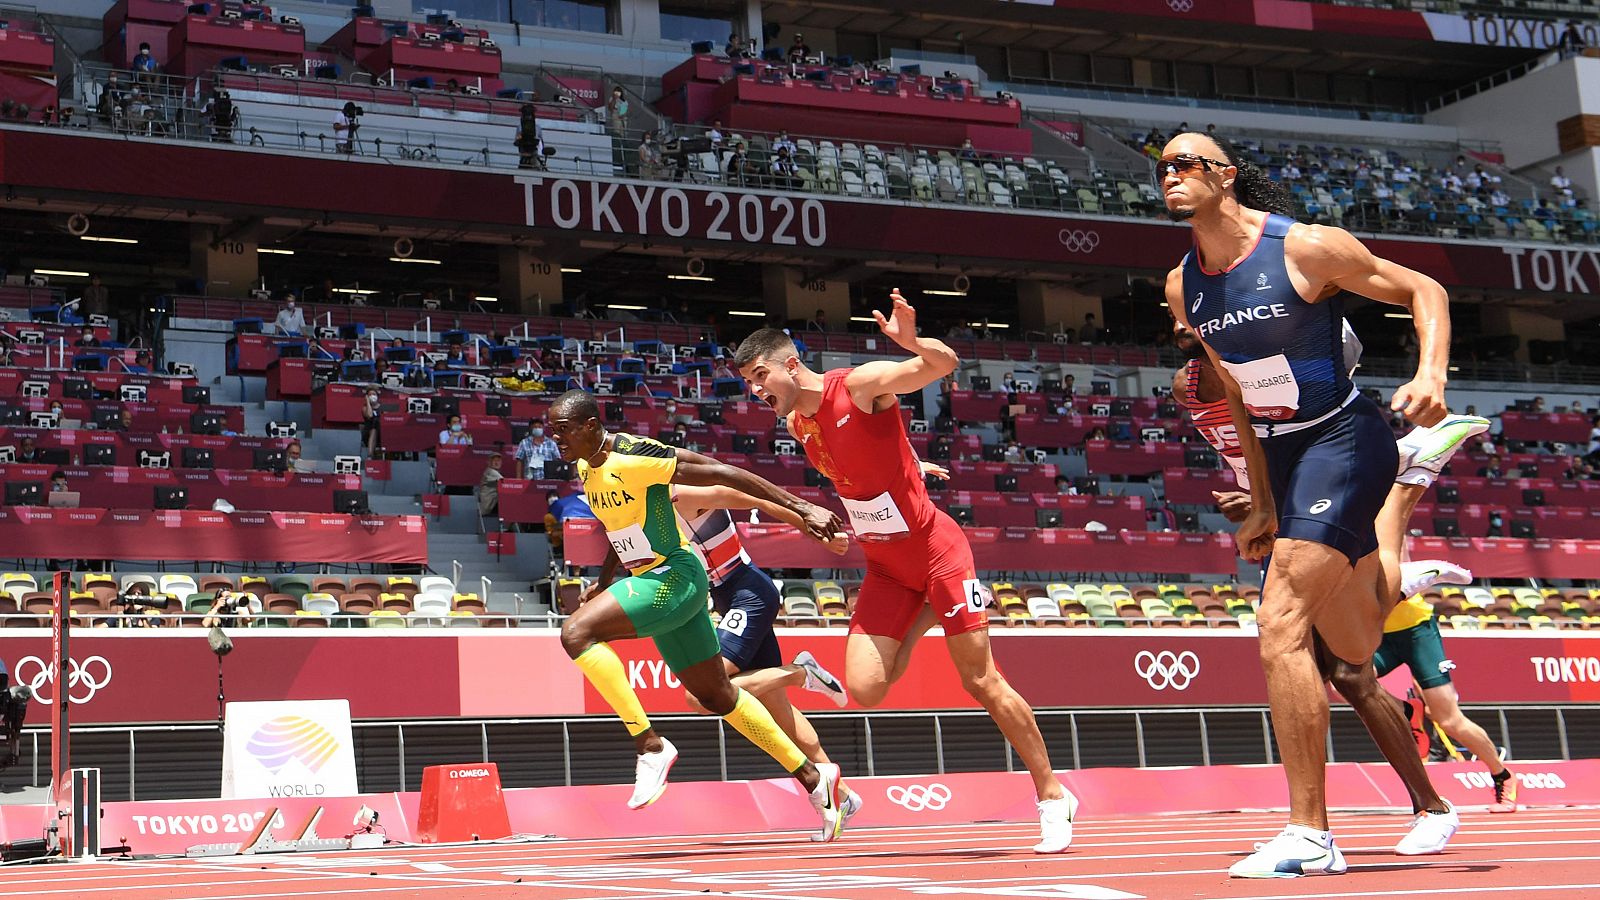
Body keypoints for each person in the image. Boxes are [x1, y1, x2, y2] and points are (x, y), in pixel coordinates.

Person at [1158, 129, 1490, 877]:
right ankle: (1405, 510)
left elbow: (1422, 289)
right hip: (1287, 457)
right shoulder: (1185, 283)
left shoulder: (1304, 247)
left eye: (1185, 164)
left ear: (1225, 176)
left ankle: (1310, 834)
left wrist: (1431, 373)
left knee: (1278, 624)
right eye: (1163, 169)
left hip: (1343, 437)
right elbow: (1243, 398)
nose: (1170, 177)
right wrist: (1262, 499)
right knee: (1353, 646)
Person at [733, 294, 1079, 854]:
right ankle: (925, 614)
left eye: (759, 376)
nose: (754, 390)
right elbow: (861, 461)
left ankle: (1052, 795)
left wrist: (914, 345)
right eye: (748, 381)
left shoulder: (861, 384)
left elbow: (942, 366)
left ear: (790, 363)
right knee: (866, 690)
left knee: (980, 682)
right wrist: (910, 462)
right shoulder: (798, 421)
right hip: (887, 568)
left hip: (937, 552)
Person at [1171, 309, 1467, 856]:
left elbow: (1304, 446)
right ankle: (1376, 815)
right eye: (1174, 315)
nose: (1176, 325)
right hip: (1282, 507)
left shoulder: (1274, 369)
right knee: (1347, 670)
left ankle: (1410, 479)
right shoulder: (1188, 385)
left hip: (1317, 489)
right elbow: (1251, 450)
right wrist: (1259, 501)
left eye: (1188, 314)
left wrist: (1271, 503)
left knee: (1351, 667)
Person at [546, 390, 850, 839]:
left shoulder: (633, 456)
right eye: (552, 432)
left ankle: (650, 746)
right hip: (655, 580)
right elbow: (620, 530)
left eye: (563, 430)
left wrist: (802, 507)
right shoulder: (586, 466)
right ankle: (814, 778)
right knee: (718, 696)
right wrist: (606, 580)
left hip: (674, 577)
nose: (555, 440)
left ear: (591, 424)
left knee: (576, 634)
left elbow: (725, 473)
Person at [669, 482, 864, 821]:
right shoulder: (648, 508)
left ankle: (799, 673)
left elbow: (754, 498)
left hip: (748, 592)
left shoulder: (684, 494)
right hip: (728, 597)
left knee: (699, 696)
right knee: (778, 712)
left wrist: (817, 531)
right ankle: (844, 795)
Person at [1375, 584, 1518, 813]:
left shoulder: (1389, 548)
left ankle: (1502, 774)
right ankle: (1407, 711)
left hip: (1417, 631)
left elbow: (1406, 579)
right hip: (1378, 633)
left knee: (1450, 720)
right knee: (1346, 680)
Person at [478, 451, 504, 517]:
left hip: (492, 503)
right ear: (489, 462)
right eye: (494, 460)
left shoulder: (494, 471)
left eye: (498, 460)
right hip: (488, 506)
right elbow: (505, 483)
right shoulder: (491, 471)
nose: (496, 462)